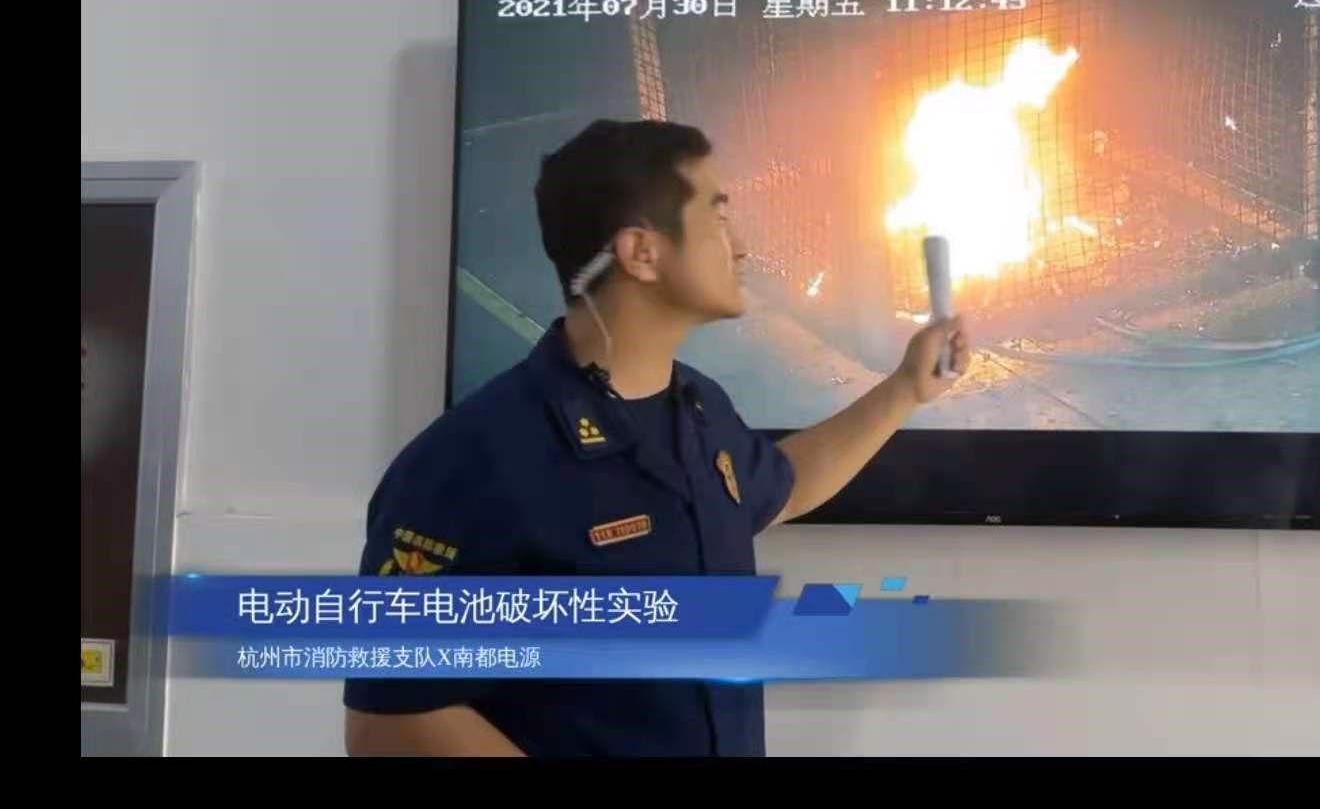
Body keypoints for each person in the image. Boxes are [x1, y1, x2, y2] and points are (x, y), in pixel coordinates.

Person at [342, 119, 968, 757]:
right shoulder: (470, 461)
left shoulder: (699, 408)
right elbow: (390, 723)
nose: (741, 246)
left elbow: (783, 486)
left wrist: (905, 389)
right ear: (641, 252)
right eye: (717, 218)